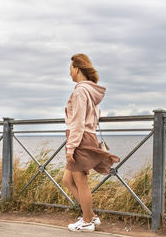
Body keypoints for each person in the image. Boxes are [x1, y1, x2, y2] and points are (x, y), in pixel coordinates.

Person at [62, 53, 120, 232]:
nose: (69, 73)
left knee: (81, 181)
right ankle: (91, 216)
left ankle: (87, 221)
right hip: (87, 136)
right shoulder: (90, 92)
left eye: (70, 69)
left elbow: (78, 122)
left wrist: (71, 147)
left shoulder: (80, 91)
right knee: (67, 179)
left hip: (79, 138)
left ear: (77, 69)